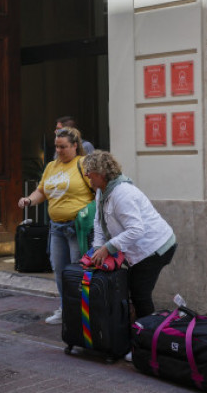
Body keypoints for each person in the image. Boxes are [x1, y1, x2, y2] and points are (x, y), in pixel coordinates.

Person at [82, 150, 177, 320]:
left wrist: (108, 247)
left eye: (90, 173)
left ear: (102, 174)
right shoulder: (101, 191)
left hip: (156, 246)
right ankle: (137, 330)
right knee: (133, 290)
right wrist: (97, 246)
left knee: (140, 293)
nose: (87, 177)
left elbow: (136, 230)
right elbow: (98, 220)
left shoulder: (122, 193)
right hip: (142, 247)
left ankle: (145, 337)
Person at [18, 127, 94, 325]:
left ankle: (82, 309)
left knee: (77, 271)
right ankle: (66, 308)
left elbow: (98, 191)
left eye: (63, 147)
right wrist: (28, 200)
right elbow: (41, 191)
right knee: (60, 271)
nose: (59, 150)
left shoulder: (83, 164)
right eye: (57, 146)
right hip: (57, 228)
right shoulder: (52, 166)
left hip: (77, 229)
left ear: (75, 146)